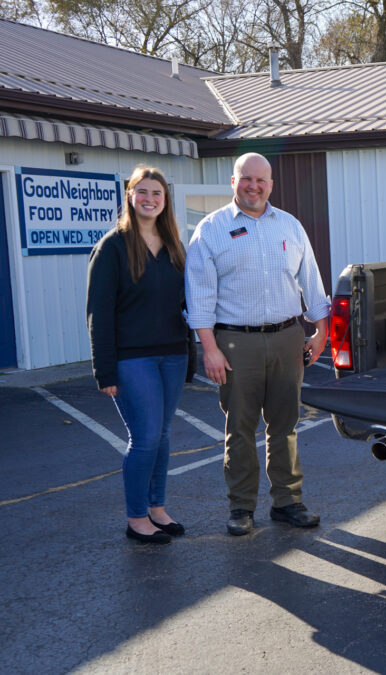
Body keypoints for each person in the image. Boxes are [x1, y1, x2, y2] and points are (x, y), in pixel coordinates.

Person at [185, 152, 330, 536]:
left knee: (286, 426)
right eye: (246, 179)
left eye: (261, 180)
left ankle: (287, 502)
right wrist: (209, 348)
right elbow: (198, 296)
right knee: (241, 429)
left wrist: (321, 331)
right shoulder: (211, 229)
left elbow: (311, 281)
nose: (254, 186)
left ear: (271, 185)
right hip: (236, 342)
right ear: (234, 182)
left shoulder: (290, 226)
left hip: (287, 338)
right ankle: (242, 507)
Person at [87, 166, 194, 544]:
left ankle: (157, 509)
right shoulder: (112, 247)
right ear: (130, 196)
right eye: (143, 192)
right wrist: (104, 370)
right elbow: (99, 313)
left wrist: (193, 354)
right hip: (132, 359)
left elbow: (185, 304)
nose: (150, 199)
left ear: (165, 200)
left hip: (172, 355)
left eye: (157, 193)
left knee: (162, 436)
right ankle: (136, 518)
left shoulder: (174, 247)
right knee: (145, 437)